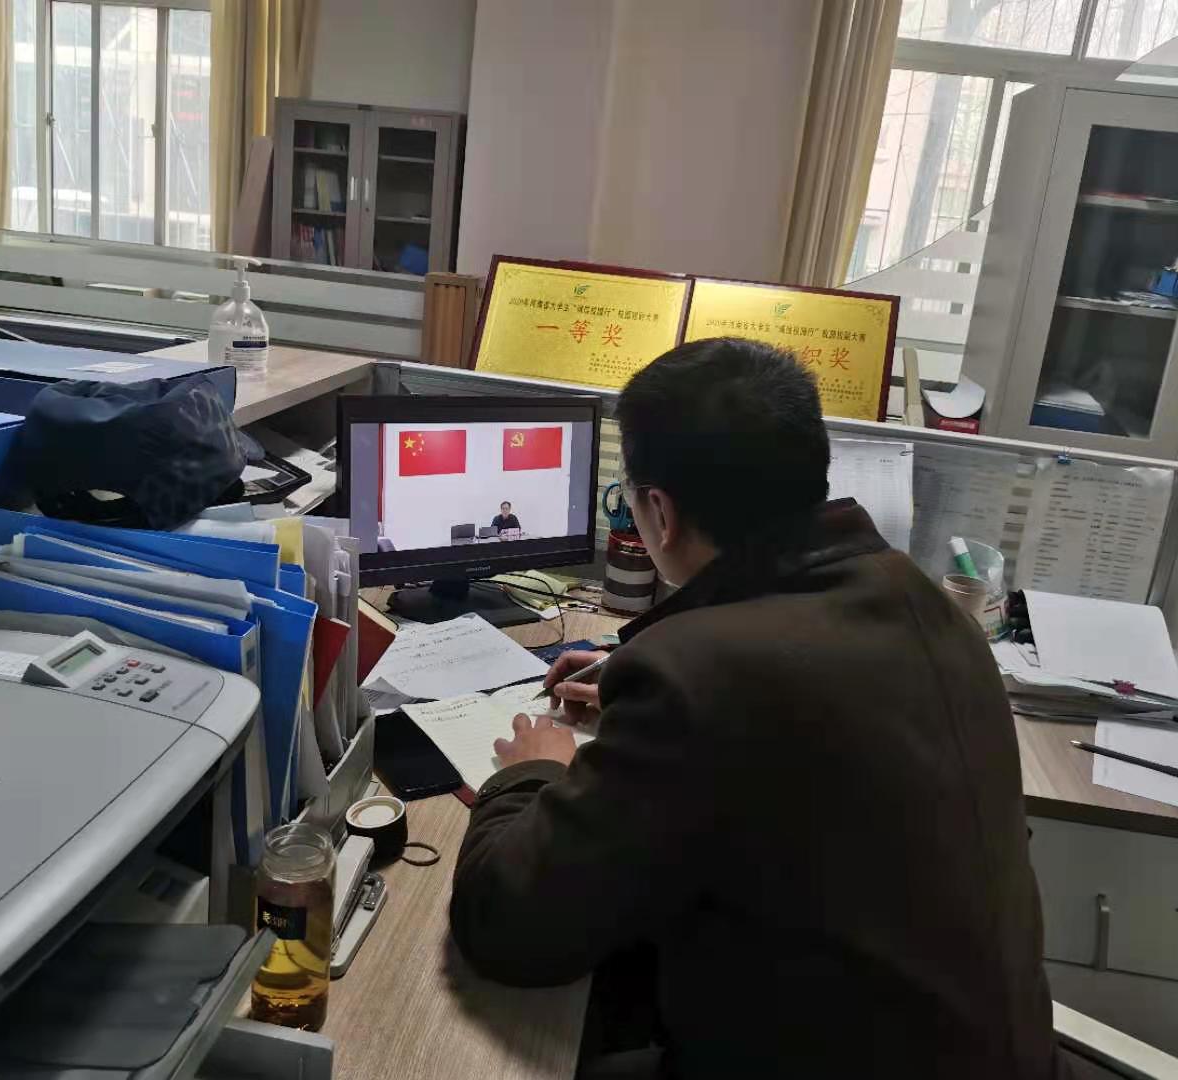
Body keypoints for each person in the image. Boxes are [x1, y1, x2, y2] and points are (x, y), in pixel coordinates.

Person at [449, 338, 1062, 1078]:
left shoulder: (698, 676)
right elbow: (805, 726)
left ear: (659, 514)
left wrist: (532, 773)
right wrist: (637, 694)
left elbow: (508, 929)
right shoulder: (925, 601)